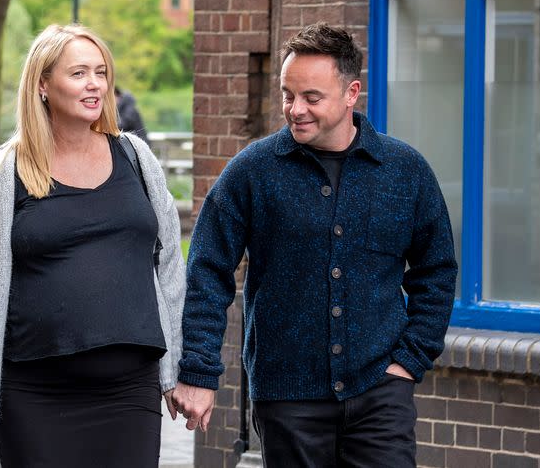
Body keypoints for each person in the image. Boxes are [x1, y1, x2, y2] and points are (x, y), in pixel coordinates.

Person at [171, 23, 457, 467]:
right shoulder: (253, 171)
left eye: (311, 97)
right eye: (288, 94)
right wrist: (199, 370)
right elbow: (207, 269)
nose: (295, 109)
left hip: (380, 393)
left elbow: (436, 269)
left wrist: (410, 359)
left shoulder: (405, 171)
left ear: (351, 93)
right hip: (287, 398)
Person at [0, 24, 186, 467]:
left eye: (101, 72)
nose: (94, 84)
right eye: (79, 73)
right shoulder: (0, 175)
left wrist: (180, 371)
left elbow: (169, 270)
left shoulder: (136, 158)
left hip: (129, 390)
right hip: (33, 395)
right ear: (43, 85)